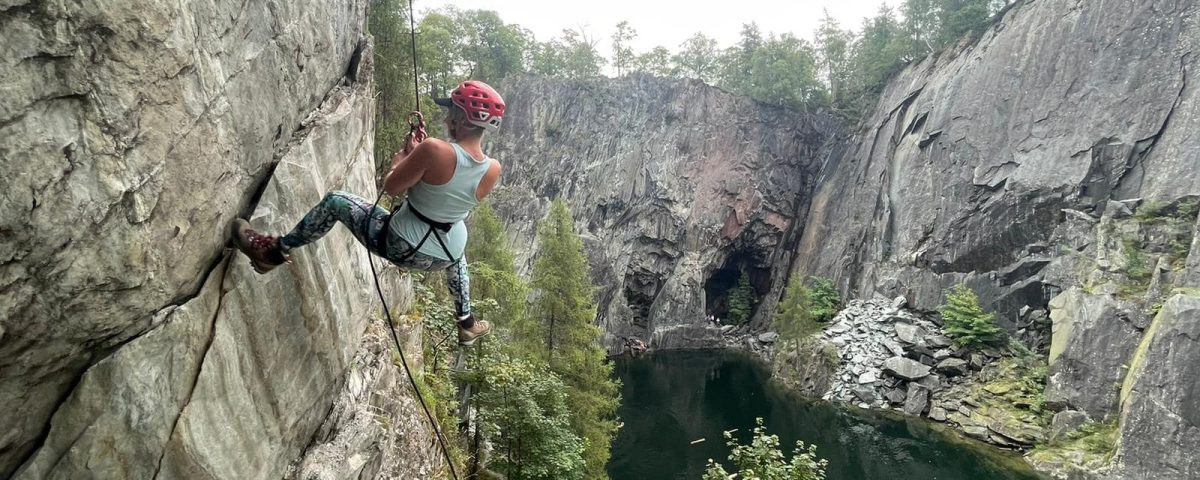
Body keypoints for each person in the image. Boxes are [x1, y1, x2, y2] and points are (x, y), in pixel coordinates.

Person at [230, 80, 505, 346]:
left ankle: (274, 251)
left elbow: (392, 186)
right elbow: (447, 192)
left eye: (451, 113)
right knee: (456, 239)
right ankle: (466, 323)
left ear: (464, 119)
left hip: (402, 246)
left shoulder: (433, 148)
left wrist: (402, 160)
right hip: (444, 256)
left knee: (336, 202)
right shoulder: (492, 169)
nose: (446, 120)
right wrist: (418, 157)